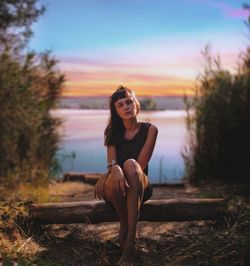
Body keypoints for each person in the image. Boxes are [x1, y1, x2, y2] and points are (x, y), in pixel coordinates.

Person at [94, 85, 158, 265]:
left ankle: (130, 241)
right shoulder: (112, 133)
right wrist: (111, 171)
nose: (126, 107)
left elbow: (140, 165)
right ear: (116, 111)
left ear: (136, 104)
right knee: (118, 171)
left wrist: (114, 169)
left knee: (130, 164)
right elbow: (111, 164)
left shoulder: (150, 130)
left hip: (139, 186)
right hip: (119, 188)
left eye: (129, 102)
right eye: (120, 105)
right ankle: (125, 224)